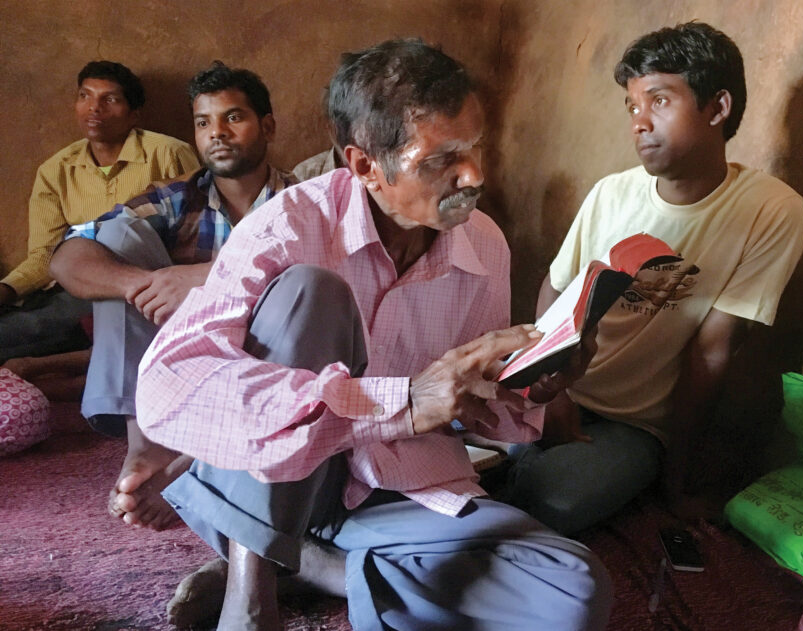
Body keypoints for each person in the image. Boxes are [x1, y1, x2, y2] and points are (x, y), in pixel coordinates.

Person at [135, 39, 611, 631]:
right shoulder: (290, 225)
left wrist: (533, 387)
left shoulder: (485, 243)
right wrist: (402, 401)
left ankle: (312, 564)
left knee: (571, 591)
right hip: (280, 479)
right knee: (312, 293)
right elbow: (167, 384)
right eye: (442, 159)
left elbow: (487, 419)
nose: (475, 175)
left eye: (477, 148)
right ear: (363, 166)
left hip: (397, 487)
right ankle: (252, 592)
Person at [504, 22, 803, 535]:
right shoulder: (611, 193)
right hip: (556, 390)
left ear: (717, 108)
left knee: (556, 501)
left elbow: (711, 353)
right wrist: (549, 392)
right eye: (632, 106)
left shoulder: (771, 210)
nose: (639, 123)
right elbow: (554, 290)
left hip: (633, 424)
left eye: (659, 101)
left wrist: (676, 483)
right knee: (445, 437)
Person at [50, 61, 297, 531]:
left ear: (267, 126)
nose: (217, 133)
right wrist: (140, 285)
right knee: (117, 239)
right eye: (204, 123)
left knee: (307, 282)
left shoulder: (303, 199)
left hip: (274, 359)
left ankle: (194, 460)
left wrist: (205, 277)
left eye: (233, 118)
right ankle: (147, 443)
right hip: (192, 364)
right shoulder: (177, 197)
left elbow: (331, 272)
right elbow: (67, 257)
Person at [0, 61, 198, 363]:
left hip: (144, 286)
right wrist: (7, 290)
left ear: (134, 115)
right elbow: (44, 256)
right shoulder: (56, 170)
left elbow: (200, 226)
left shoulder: (168, 153)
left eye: (110, 99)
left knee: (25, 332)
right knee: (24, 324)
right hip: (74, 285)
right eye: (85, 96)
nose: (94, 108)